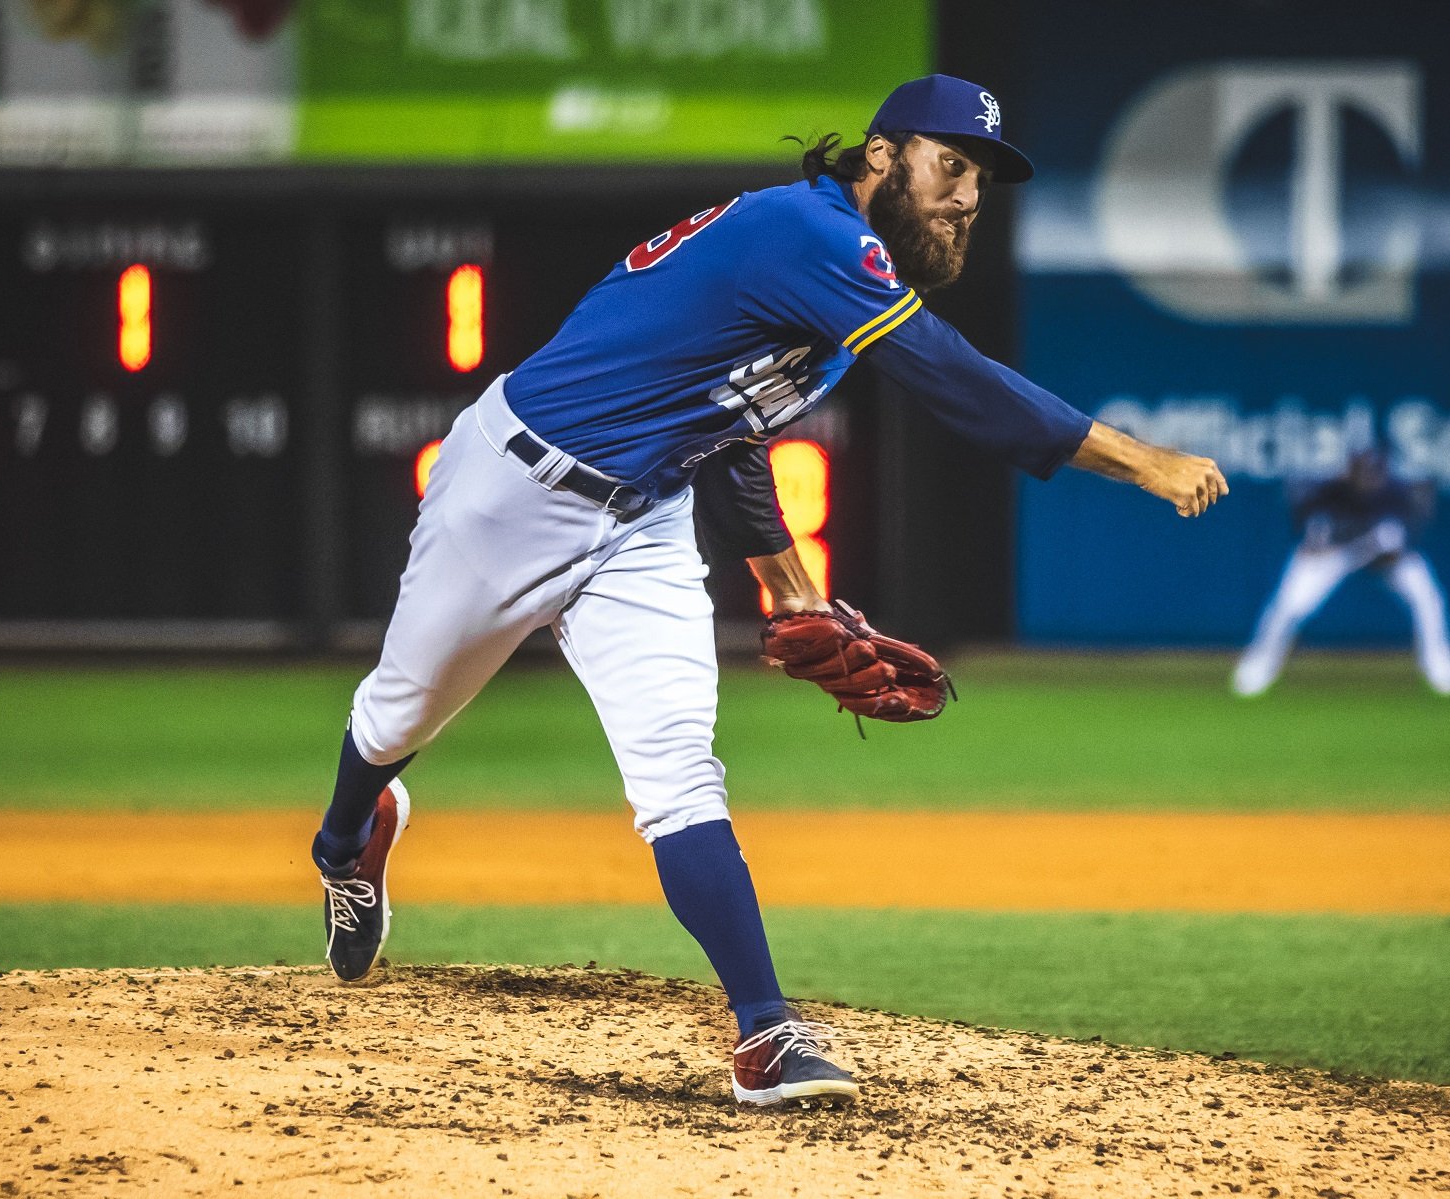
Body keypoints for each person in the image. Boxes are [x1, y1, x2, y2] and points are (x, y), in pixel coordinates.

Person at [310, 74, 1228, 1108]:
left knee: (677, 773)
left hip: (642, 517)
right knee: (397, 713)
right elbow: (950, 375)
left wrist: (787, 582)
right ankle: (346, 840)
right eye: (951, 164)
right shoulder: (812, 235)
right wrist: (1137, 457)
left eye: (979, 178)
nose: (967, 193)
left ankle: (764, 1029)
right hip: (508, 490)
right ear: (881, 156)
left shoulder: (829, 262)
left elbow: (729, 430)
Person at [1232, 448, 1450, 697]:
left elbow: (1398, 548)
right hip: (1334, 552)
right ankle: (1259, 666)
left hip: (1378, 554)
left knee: (1426, 594)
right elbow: (1310, 540)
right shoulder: (1329, 491)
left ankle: (1438, 666)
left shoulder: (1394, 494)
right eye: (1362, 470)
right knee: (1290, 605)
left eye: (1374, 471)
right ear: (1351, 470)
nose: (1368, 478)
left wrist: (1382, 551)